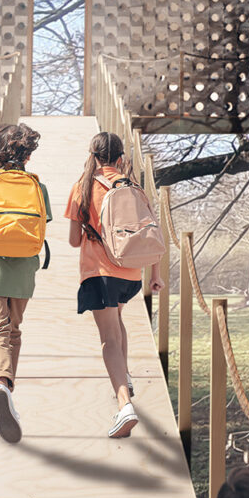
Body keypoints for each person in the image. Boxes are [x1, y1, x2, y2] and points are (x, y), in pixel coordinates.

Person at [65, 131, 162, 438]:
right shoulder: (134, 188)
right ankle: (126, 376)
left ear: (93, 157)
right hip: (132, 274)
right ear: (121, 158)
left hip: (100, 272)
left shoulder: (82, 187)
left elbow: (72, 241)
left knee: (108, 337)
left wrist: (91, 229)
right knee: (117, 320)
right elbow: (150, 231)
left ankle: (124, 406)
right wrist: (155, 275)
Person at [0, 122, 51, 443]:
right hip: (23, 271)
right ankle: (6, 391)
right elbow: (42, 231)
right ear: (27, 156)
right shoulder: (37, 187)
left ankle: (0, 385)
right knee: (13, 331)